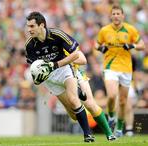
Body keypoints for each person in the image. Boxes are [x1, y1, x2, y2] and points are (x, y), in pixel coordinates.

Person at [25, 11, 116, 142]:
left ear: (42, 25)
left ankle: (102, 134)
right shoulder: (29, 45)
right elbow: (34, 68)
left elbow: (80, 57)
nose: (29, 30)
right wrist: (38, 78)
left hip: (66, 70)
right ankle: (79, 95)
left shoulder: (57, 35)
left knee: (86, 103)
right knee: (73, 115)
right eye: (28, 26)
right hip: (51, 78)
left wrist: (56, 64)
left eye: (32, 26)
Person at [96, 4, 145, 137]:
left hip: (126, 69)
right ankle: (111, 117)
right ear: (111, 16)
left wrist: (133, 45)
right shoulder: (104, 30)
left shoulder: (130, 30)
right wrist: (101, 48)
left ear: (122, 16)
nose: (116, 16)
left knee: (123, 101)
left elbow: (142, 45)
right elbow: (96, 44)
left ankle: (119, 128)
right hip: (110, 67)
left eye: (118, 14)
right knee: (112, 95)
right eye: (114, 14)